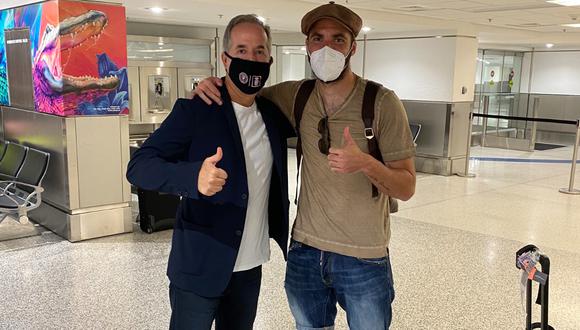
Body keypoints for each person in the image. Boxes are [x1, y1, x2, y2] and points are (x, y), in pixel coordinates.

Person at [193, 2, 416, 329]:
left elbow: (407, 187)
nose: (327, 48)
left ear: (353, 47)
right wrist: (209, 84)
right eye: (317, 38)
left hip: (364, 256)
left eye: (338, 39)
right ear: (307, 47)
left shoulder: (381, 102)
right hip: (305, 252)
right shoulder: (296, 96)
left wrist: (366, 163)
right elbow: (243, 93)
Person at [126, 14, 294, 330]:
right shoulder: (196, 110)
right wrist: (193, 178)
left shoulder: (272, 115)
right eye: (242, 50)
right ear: (225, 58)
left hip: (249, 267)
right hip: (200, 264)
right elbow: (139, 166)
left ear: (270, 58)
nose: (252, 59)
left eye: (259, 51)